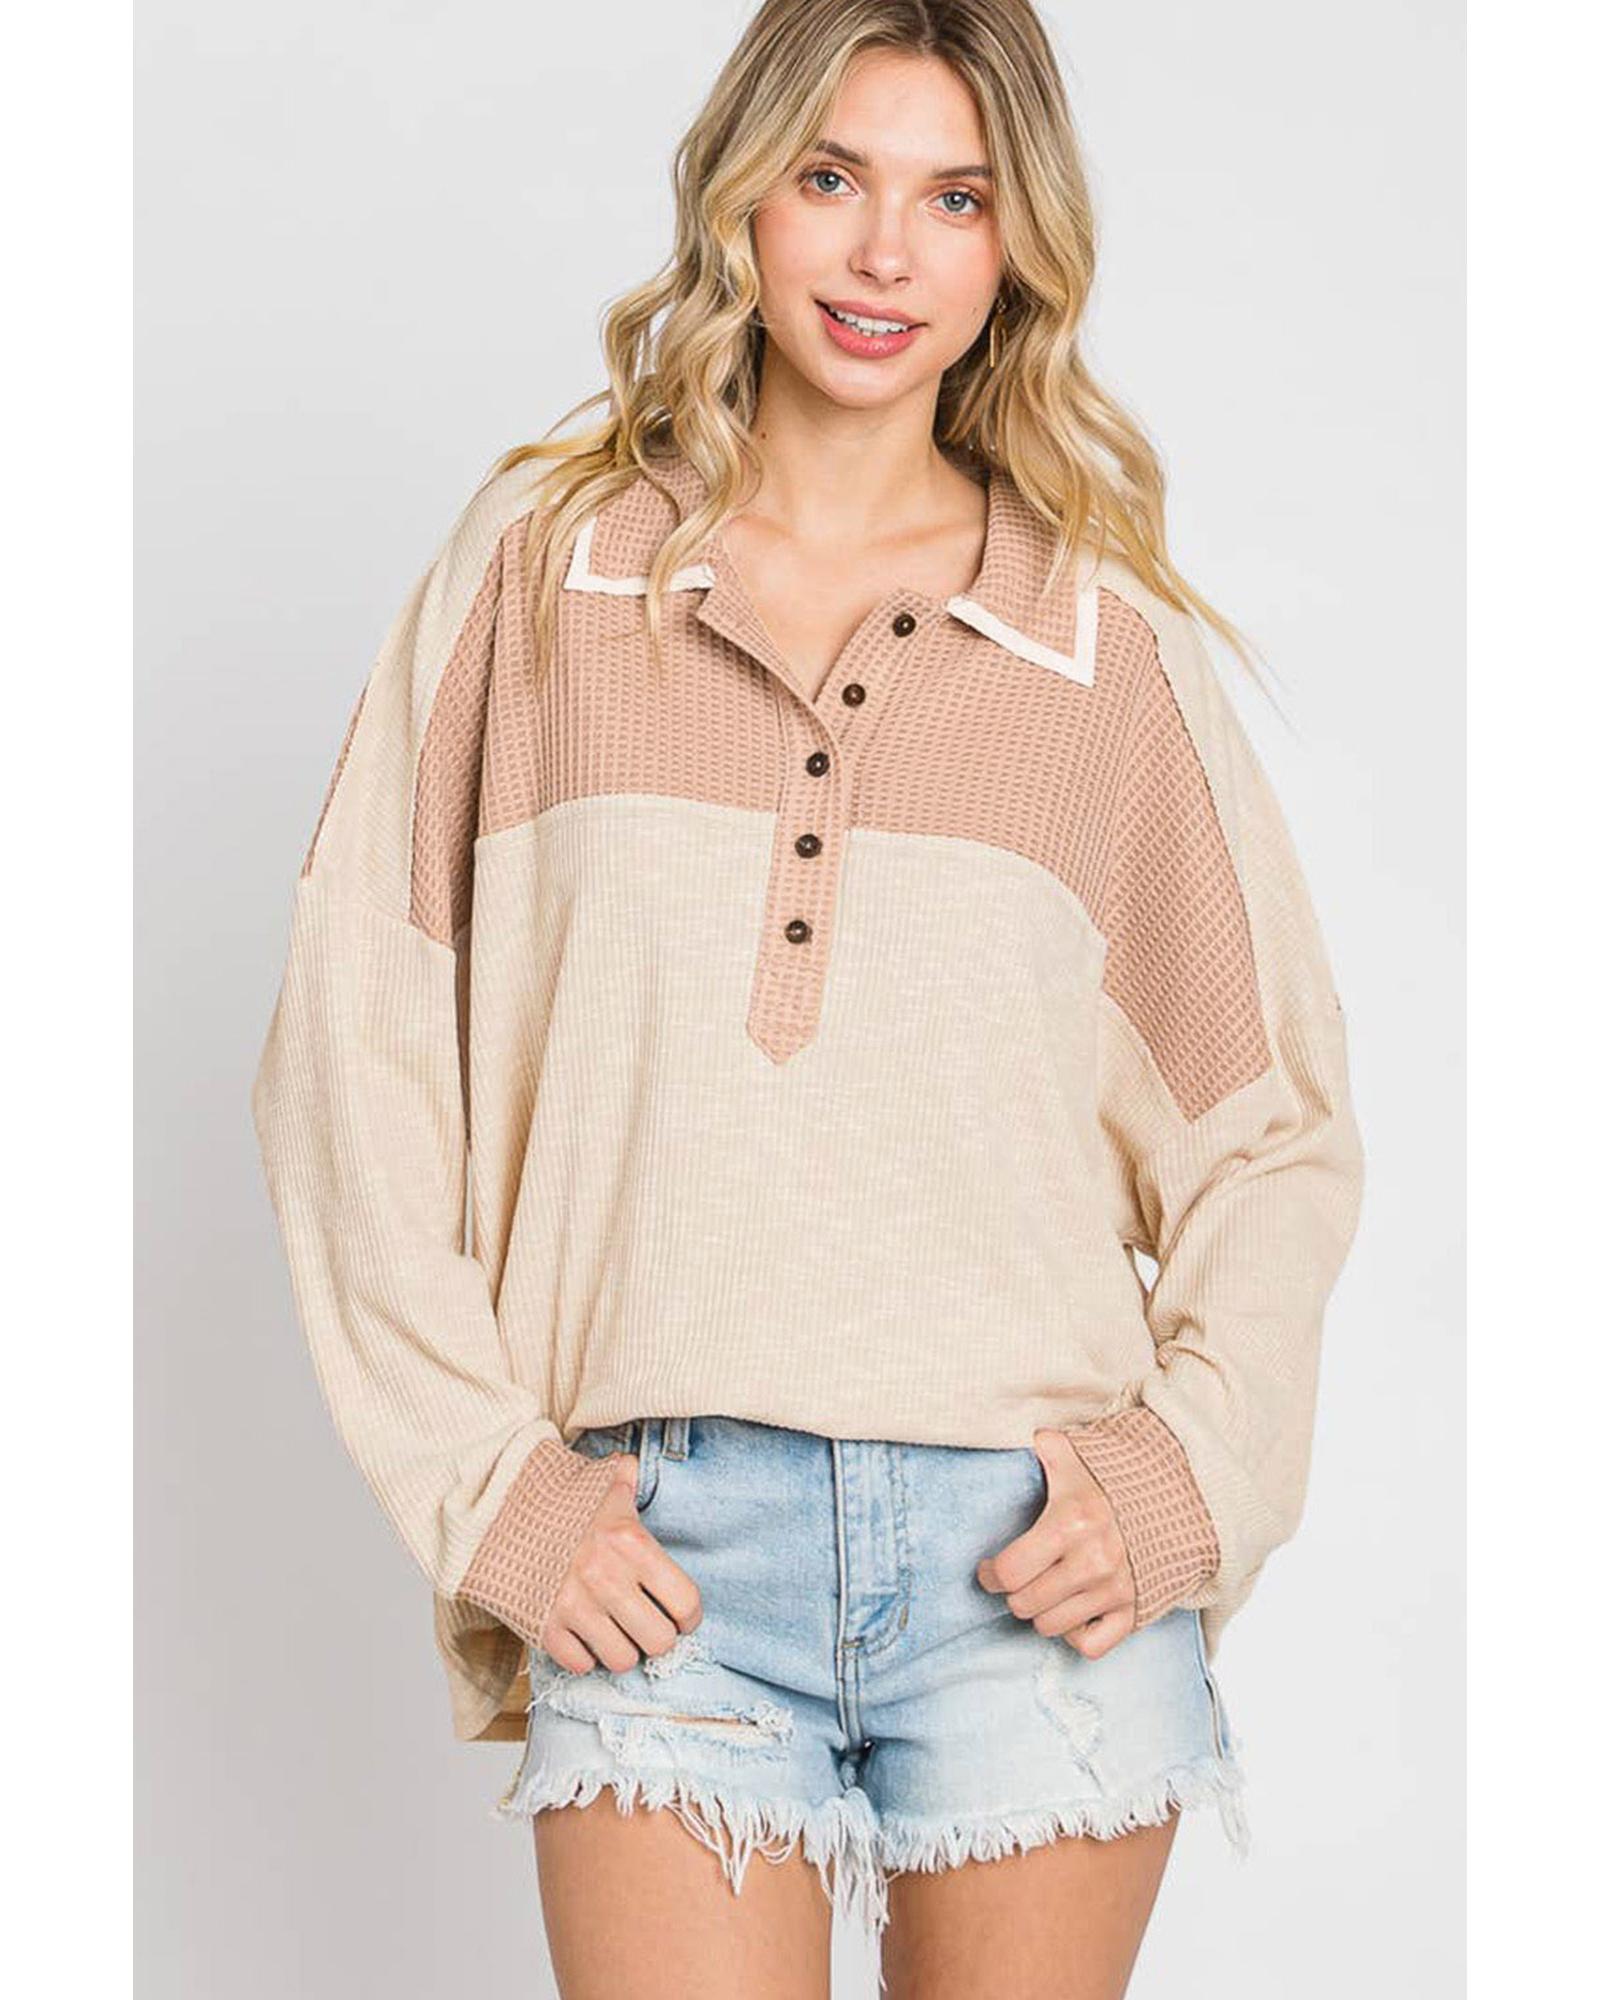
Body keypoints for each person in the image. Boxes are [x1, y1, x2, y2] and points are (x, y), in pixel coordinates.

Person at [249, 1, 1365, 1993]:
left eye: (955, 198)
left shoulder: (1097, 651)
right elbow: (352, 1052)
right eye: (833, 176)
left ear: (1015, 247)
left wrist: (1191, 1474)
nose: (882, 252)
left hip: (1033, 1567)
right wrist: (489, 1487)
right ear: (741, 196)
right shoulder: (542, 579)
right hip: (662, 1553)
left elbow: (1268, 1130)